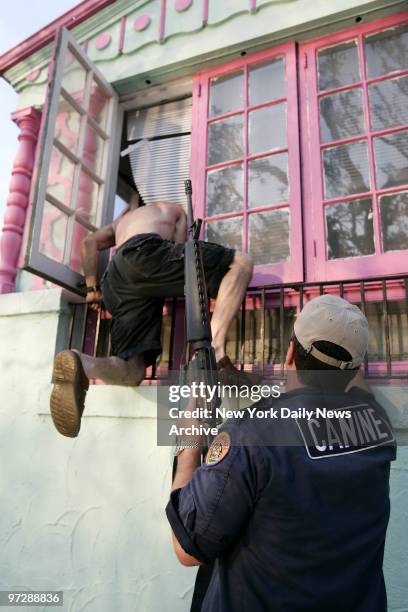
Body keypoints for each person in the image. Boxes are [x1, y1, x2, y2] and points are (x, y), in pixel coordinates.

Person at [166, 294, 396, 612]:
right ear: (355, 368)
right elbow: (351, 381)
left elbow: (187, 549)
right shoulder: (375, 424)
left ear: (290, 353)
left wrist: (188, 446)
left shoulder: (250, 435)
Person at [50, 191, 254, 437]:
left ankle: (82, 363)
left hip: (114, 279)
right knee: (240, 263)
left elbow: (89, 243)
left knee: (132, 370)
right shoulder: (174, 210)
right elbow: (183, 254)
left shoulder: (121, 222)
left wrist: (92, 288)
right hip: (144, 253)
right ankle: (217, 348)